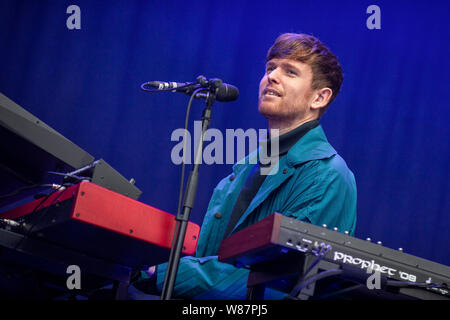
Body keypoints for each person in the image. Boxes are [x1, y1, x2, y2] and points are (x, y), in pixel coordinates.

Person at [131, 33, 357, 300]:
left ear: (319, 98)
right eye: (271, 68)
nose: (272, 76)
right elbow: (216, 256)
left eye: (290, 72)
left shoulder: (326, 174)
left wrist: (165, 275)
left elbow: (283, 279)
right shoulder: (251, 164)